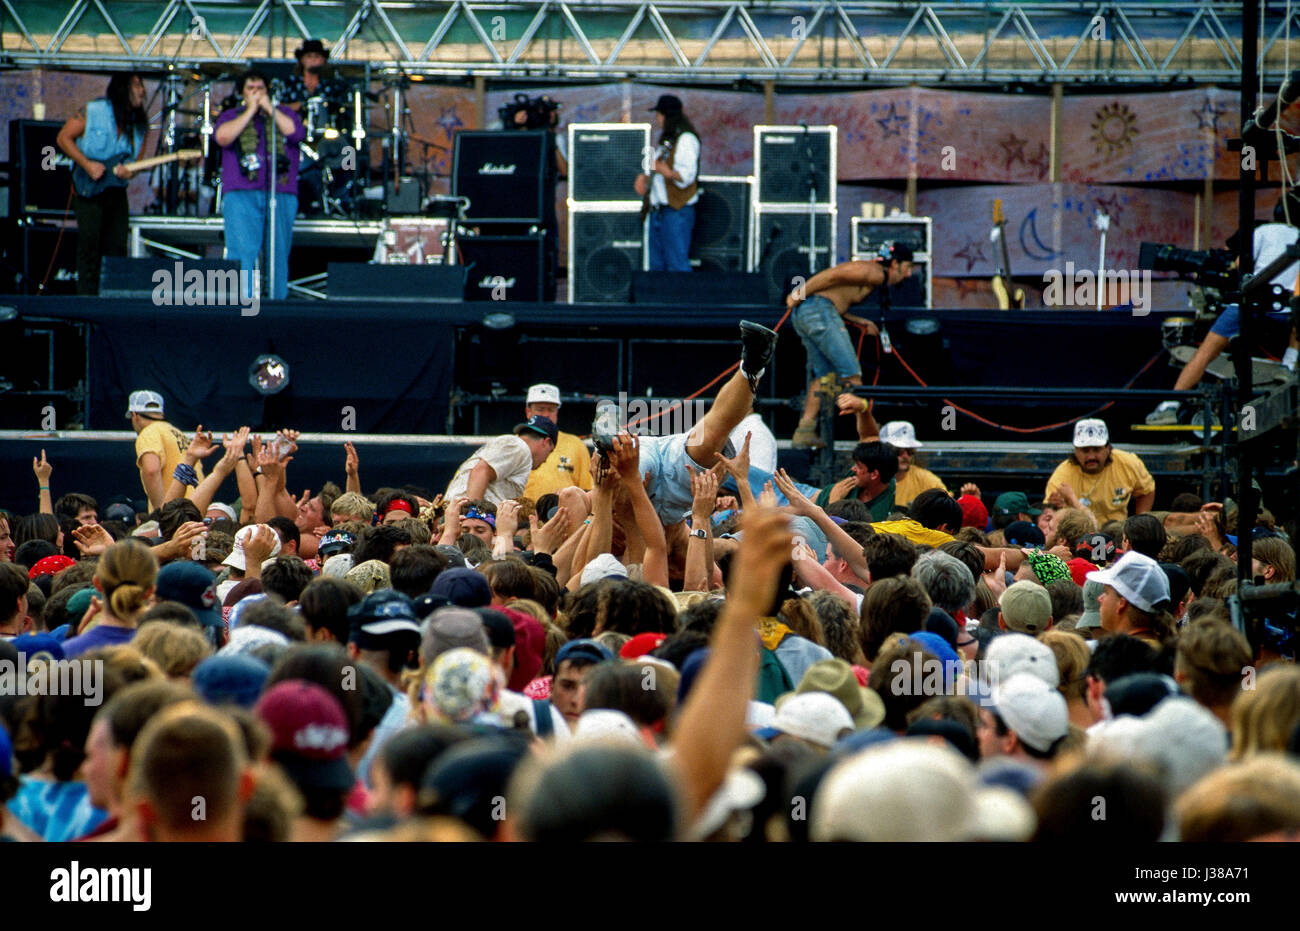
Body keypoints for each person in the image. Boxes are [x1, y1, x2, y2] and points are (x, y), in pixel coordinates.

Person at [1148, 192, 1300, 425]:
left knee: (1205, 353)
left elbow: (1239, 266)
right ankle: (1288, 366)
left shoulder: (1263, 232)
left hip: (1247, 307)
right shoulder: (1299, 237)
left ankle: (1170, 405)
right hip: (1284, 314)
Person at [788, 244, 915, 448]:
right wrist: (798, 293)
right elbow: (832, 275)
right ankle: (869, 434)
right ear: (895, 264)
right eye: (907, 267)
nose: (909, 274)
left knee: (825, 376)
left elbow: (834, 298)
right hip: (816, 310)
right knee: (851, 374)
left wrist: (859, 320)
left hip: (811, 312)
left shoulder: (874, 276)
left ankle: (804, 431)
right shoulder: (873, 271)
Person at [214, 69, 306, 301]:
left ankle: (277, 304)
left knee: (278, 253)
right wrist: (251, 110)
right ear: (242, 93)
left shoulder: (284, 113)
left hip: (280, 191)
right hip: (242, 193)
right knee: (241, 253)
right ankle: (239, 306)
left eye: (260, 89)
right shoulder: (231, 115)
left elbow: (296, 134)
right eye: (250, 89)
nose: (256, 93)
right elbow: (222, 137)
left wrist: (269, 109)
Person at [56, 72, 148, 296]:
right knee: (90, 245)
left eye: (142, 85)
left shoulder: (138, 126)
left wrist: (130, 172)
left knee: (117, 247)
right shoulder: (95, 110)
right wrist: (87, 164)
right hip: (89, 187)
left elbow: (135, 163)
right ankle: (87, 301)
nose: (142, 90)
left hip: (116, 191)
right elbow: (63, 138)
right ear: (122, 88)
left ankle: (113, 299)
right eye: (137, 84)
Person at [633, 94, 700, 272]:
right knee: (657, 266)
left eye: (659, 115)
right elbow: (656, 171)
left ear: (666, 116)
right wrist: (645, 178)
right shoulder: (667, 142)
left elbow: (686, 177)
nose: (658, 120)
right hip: (658, 211)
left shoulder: (686, 140)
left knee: (677, 264)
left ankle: (682, 299)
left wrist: (666, 171)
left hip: (676, 211)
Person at [1044, 418, 1154, 525]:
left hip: (1118, 531)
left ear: (1108, 448)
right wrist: (1056, 507)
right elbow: (1049, 515)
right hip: (1080, 533)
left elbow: (1147, 491)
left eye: (1097, 449)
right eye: (1085, 450)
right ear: (1076, 451)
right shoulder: (1062, 474)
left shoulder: (1128, 463)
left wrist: (1139, 523)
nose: (1091, 456)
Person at [443, 415, 558, 505]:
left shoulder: (512, 447)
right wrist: (474, 515)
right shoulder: (519, 447)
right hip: (465, 519)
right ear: (546, 442)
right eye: (550, 451)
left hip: (457, 515)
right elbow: (480, 472)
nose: (546, 460)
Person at [126, 390, 199, 511]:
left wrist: (160, 513)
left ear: (134, 415)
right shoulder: (180, 435)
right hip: (195, 510)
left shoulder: (148, 433)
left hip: (175, 515)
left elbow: (151, 470)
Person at [521, 383, 593, 500]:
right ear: (528, 412)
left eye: (551, 410)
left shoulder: (576, 445)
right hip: (522, 515)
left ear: (557, 412)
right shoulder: (516, 444)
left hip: (565, 515)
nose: (546, 415)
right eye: (540, 409)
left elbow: (588, 490)